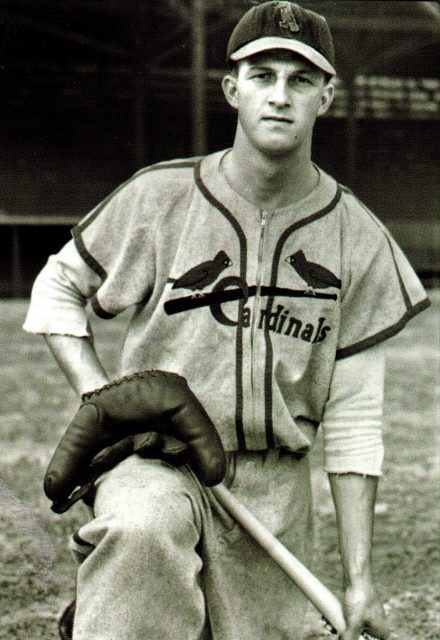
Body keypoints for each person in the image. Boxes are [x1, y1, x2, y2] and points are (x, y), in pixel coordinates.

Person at [24, 2, 430, 639]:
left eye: (300, 80)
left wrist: (359, 582)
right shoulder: (160, 195)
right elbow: (56, 289)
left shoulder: (359, 238)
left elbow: (353, 422)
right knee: (140, 533)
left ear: (326, 96)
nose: (279, 96)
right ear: (232, 90)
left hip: (275, 486)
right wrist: (103, 396)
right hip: (159, 461)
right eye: (262, 75)